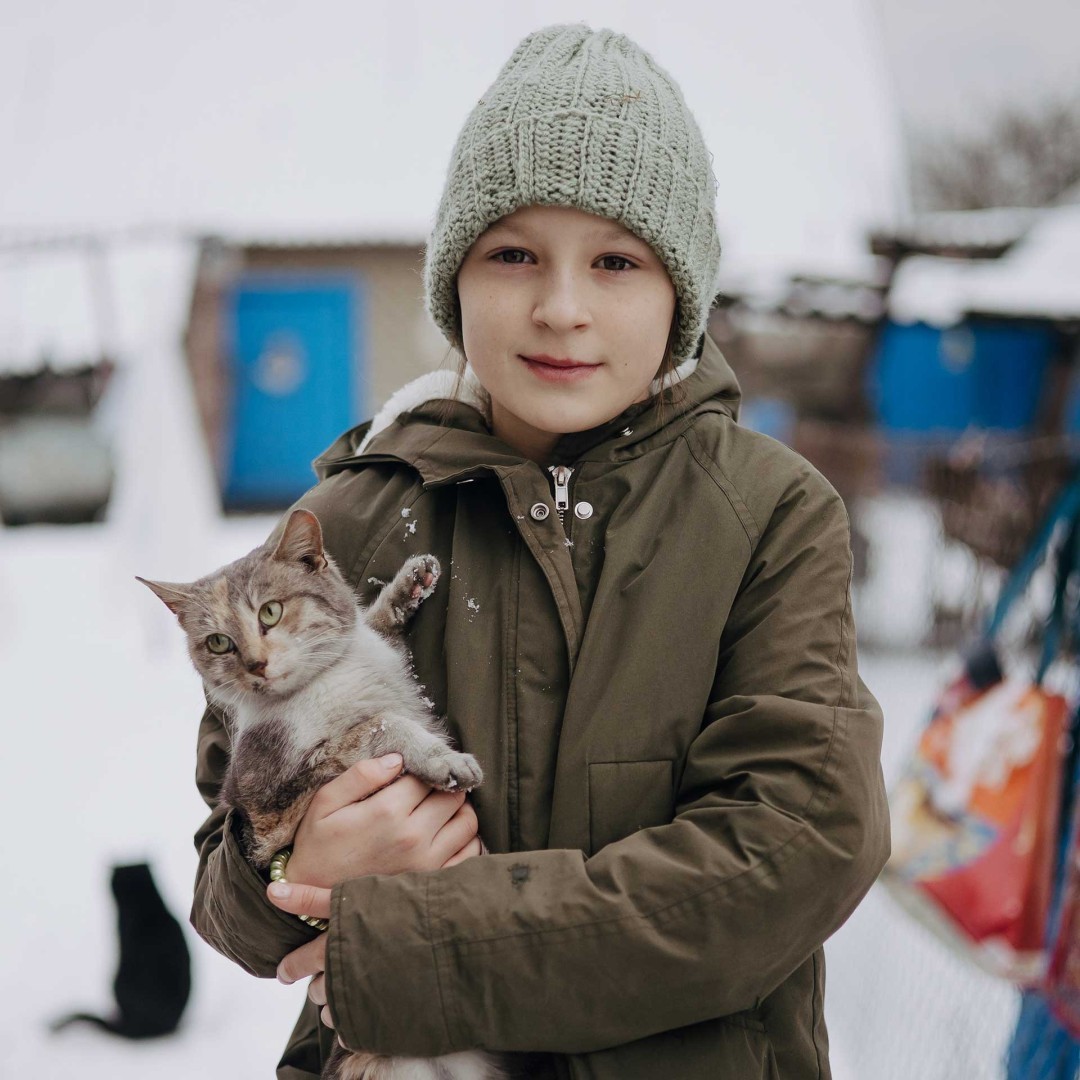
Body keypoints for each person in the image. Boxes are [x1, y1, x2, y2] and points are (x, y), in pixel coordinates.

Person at [190, 22, 890, 1079]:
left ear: (681, 295)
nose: (561, 308)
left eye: (616, 260)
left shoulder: (767, 518)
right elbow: (223, 875)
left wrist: (428, 948)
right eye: (512, 253)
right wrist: (292, 862)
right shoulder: (342, 529)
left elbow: (789, 852)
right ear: (453, 278)